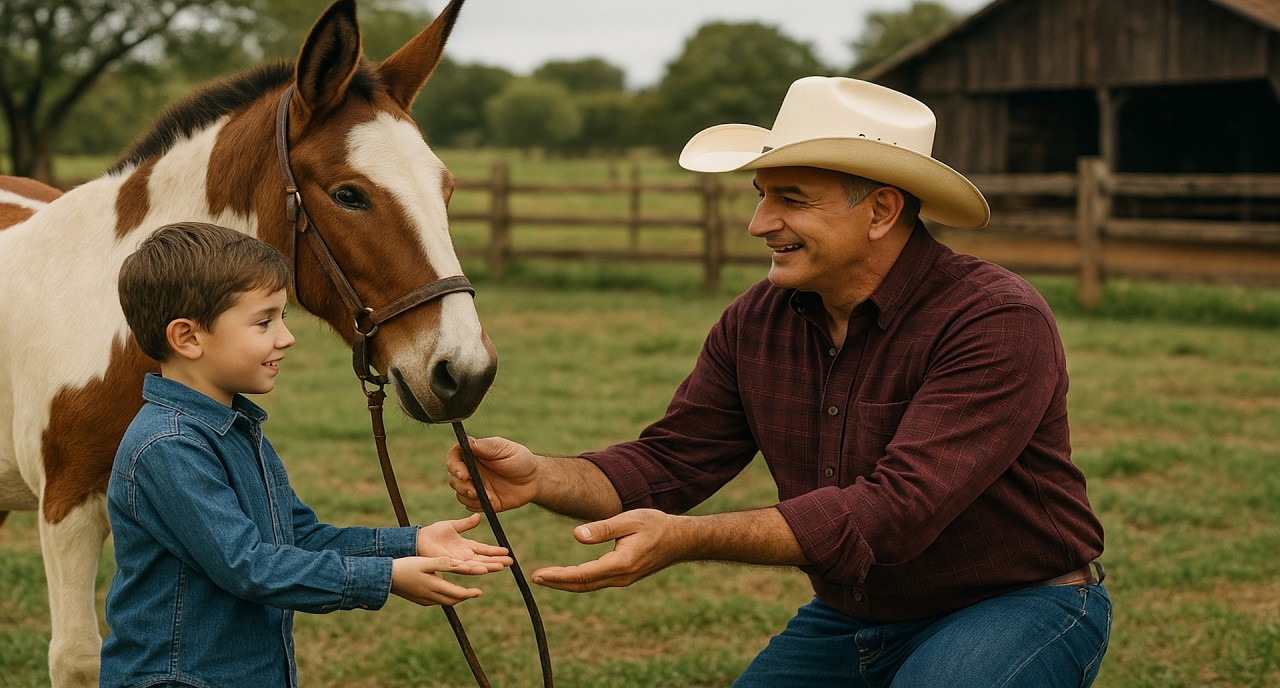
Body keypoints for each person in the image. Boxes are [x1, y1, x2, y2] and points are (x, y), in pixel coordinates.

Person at [446, 77, 1111, 686]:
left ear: (881, 211)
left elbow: (894, 513)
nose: (759, 224)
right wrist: (540, 477)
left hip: (1020, 601)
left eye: (791, 199)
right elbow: (671, 461)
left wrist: (689, 538)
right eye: (761, 195)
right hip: (854, 615)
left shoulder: (994, 318)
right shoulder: (758, 319)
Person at [103, 222, 511, 688]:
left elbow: (297, 537)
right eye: (264, 321)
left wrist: (411, 543)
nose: (286, 336)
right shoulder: (169, 447)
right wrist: (384, 578)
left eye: (282, 317)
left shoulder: (236, 427)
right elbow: (248, 566)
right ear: (188, 338)